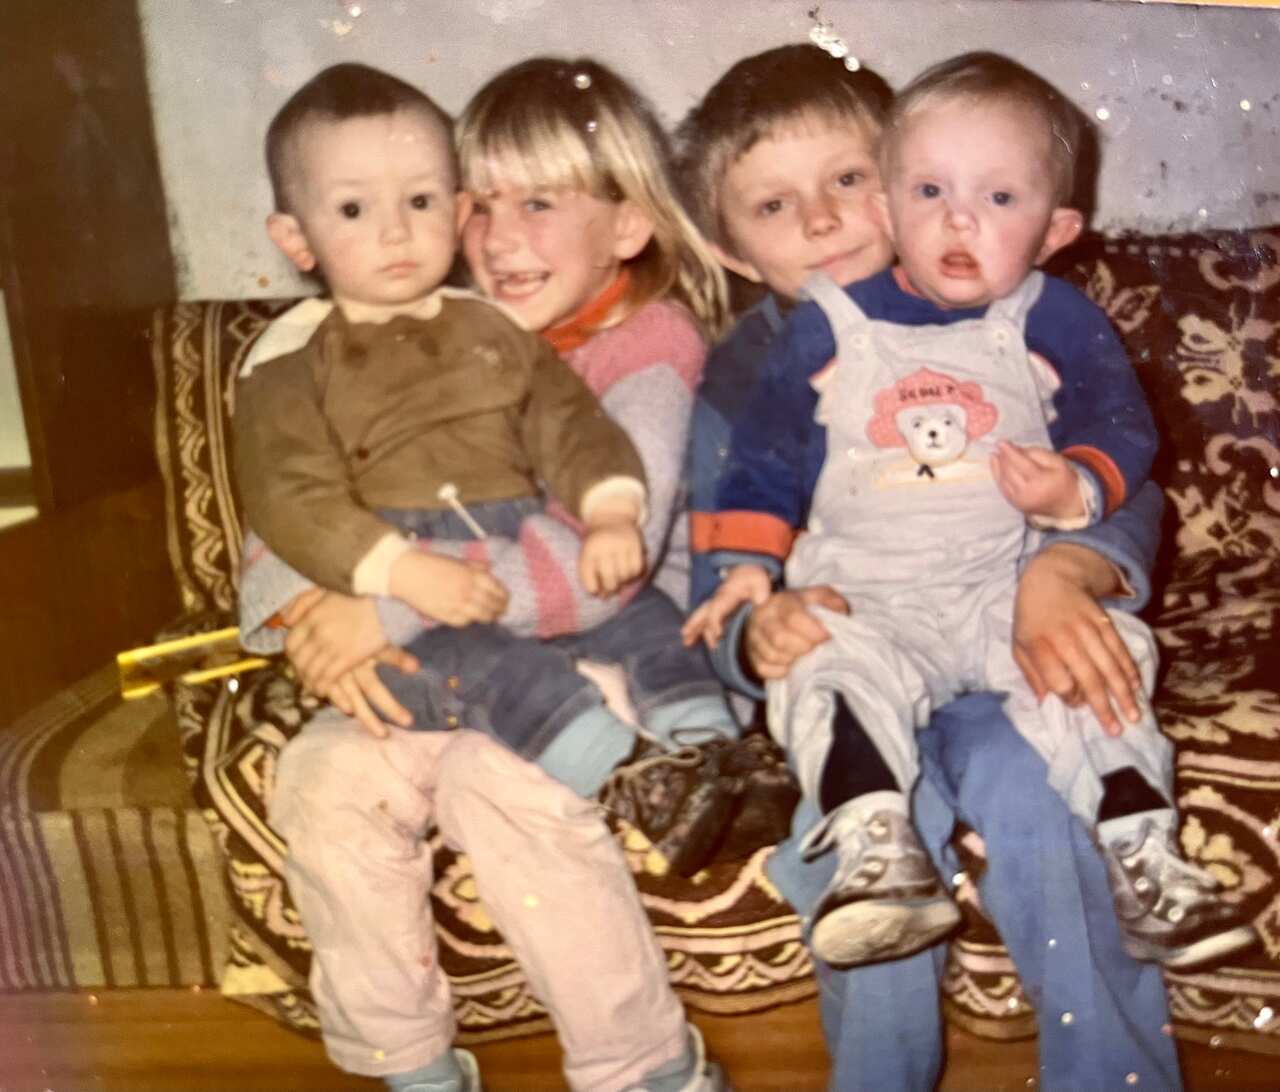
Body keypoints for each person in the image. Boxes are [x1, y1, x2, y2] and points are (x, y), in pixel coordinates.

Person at [676, 43, 1192, 1089]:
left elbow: (1128, 479)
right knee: (866, 860)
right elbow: (717, 554)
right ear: (730, 248)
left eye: (848, 181)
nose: (821, 221)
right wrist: (751, 627)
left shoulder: (1015, 314)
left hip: (1005, 641)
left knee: (1052, 817)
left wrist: (1068, 570)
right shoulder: (742, 375)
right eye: (773, 207)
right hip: (860, 660)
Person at [235, 58, 741, 1091]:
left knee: (500, 779)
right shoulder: (410, 333)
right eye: (480, 204)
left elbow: (606, 566)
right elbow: (292, 496)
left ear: (628, 226)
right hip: (441, 656)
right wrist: (303, 617)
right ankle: (408, 1065)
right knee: (322, 778)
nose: (498, 239)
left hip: (613, 647)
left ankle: (642, 1067)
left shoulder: (652, 346)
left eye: (541, 203)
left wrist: (381, 602)